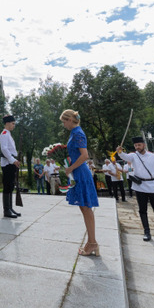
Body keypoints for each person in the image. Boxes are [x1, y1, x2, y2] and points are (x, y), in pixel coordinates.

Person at [117, 137, 154, 243]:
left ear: (144, 145)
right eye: (136, 145)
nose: (137, 147)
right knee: (142, 210)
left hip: (152, 185)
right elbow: (125, 156)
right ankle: (147, 232)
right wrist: (119, 151)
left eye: (139, 145)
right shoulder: (133, 156)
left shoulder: (153, 157)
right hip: (139, 186)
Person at [60, 109, 100, 256]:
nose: (63, 124)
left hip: (81, 173)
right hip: (77, 172)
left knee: (86, 208)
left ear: (70, 119)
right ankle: (91, 242)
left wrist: (70, 167)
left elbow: (85, 155)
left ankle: (93, 243)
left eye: (64, 121)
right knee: (84, 208)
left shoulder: (77, 133)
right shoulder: (74, 133)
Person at [0, 115, 21, 218]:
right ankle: (6, 210)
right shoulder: (4, 134)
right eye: (13, 123)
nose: (14, 125)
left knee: (11, 186)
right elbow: (4, 149)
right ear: (7, 123)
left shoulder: (8, 134)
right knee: (7, 186)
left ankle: (10, 208)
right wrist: (13, 160)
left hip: (11, 163)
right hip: (7, 163)